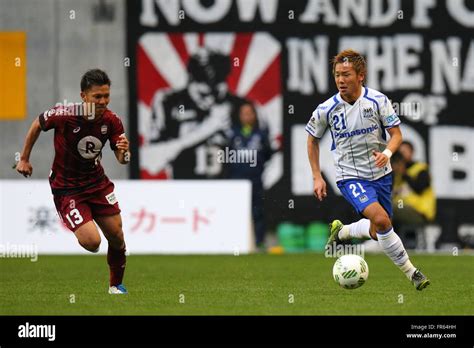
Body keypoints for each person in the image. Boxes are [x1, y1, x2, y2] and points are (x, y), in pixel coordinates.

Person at [306, 49, 430, 290]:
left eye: (346, 74)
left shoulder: (378, 101)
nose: (341, 80)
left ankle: (343, 231)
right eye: (337, 75)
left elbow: (396, 135)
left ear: (360, 75)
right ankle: (412, 273)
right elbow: (311, 140)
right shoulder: (326, 109)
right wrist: (317, 176)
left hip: (381, 175)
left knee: (379, 229)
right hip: (350, 176)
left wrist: (387, 154)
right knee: (383, 221)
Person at [16, 69, 130, 294]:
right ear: (84, 96)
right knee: (92, 242)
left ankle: (116, 286)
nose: (103, 101)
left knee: (117, 236)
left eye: (106, 95)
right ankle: (72, 214)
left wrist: (125, 153)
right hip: (67, 188)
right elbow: (37, 124)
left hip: (97, 184)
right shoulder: (65, 115)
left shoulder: (112, 121)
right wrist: (24, 159)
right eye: (98, 96)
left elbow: (122, 159)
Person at [142, 48, 249, 179]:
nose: (211, 101)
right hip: (183, 192)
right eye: (203, 95)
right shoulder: (168, 102)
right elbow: (151, 161)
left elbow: (269, 154)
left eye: (217, 93)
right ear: (190, 81)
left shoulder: (242, 107)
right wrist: (205, 130)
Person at [226, 102, 273, 250]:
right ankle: (234, 242)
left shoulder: (261, 134)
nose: (247, 116)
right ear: (239, 116)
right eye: (243, 113)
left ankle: (259, 242)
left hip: (255, 180)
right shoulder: (233, 134)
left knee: (257, 210)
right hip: (237, 180)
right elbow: (226, 156)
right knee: (236, 212)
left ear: (254, 115)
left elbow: (268, 154)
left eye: (249, 113)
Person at [391, 142, 436, 245]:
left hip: (420, 212)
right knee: (380, 206)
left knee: (389, 208)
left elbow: (420, 188)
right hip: (402, 210)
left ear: (412, 153)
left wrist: (405, 174)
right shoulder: (397, 173)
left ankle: (379, 240)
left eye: (404, 151)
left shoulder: (421, 169)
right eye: (400, 151)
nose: (402, 154)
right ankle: (389, 242)